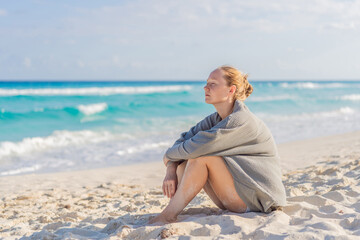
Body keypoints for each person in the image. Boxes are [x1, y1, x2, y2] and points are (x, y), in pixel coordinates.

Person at [148, 65, 286, 225]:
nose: (205, 87)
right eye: (207, 83)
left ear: (231, 90)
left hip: (259, 201)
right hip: (235, 195)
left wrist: (168, 156)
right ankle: (170, 211)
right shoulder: (216, 119)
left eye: (213, 83)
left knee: (200, 159)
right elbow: (183, 141)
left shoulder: (240, 120)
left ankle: (168, 215)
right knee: (184, 162)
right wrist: (171, 167)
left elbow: (195, 149)